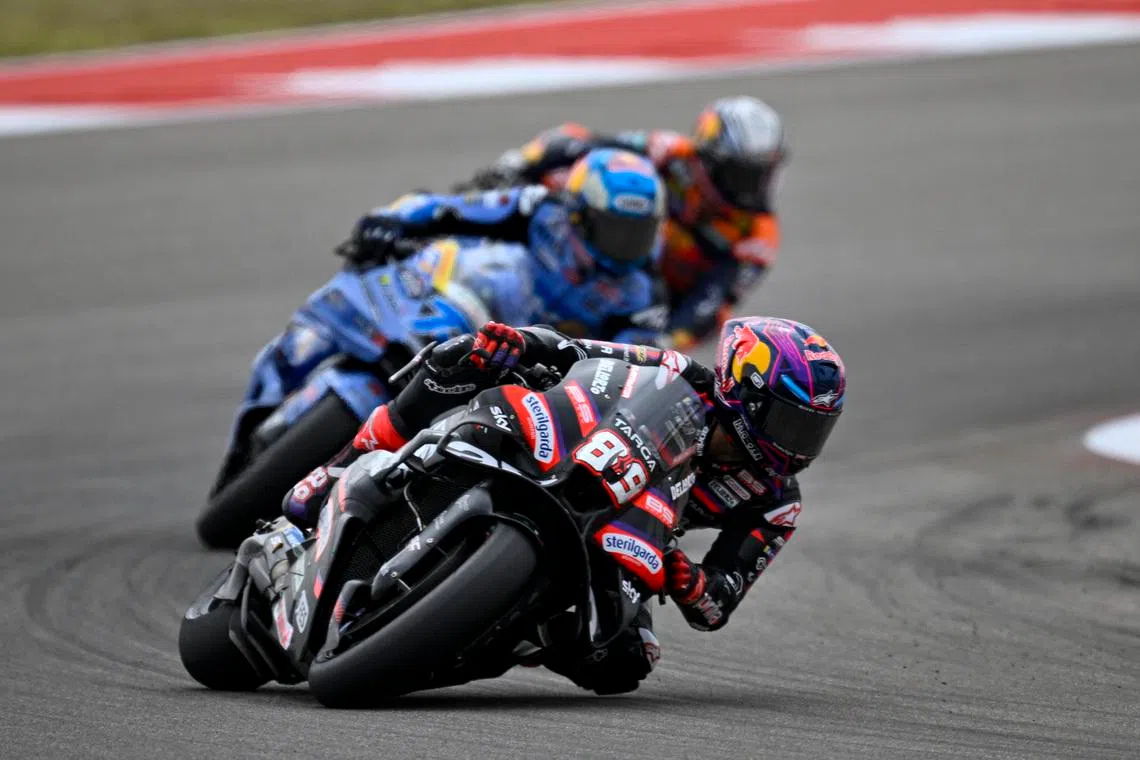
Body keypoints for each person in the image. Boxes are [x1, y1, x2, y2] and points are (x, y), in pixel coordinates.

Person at [285, 315, 846, 696]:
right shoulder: (677, 373)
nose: (797, 447)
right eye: (790, 423)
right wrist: (519, 343)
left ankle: (483, 630)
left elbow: (719, 603)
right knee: (462, 359)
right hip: (568, 453)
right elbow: (577, 351)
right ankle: (342, 464)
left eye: (813, 431)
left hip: (636, 529)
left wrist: (692, 583)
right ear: (743, 390)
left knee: (625, 664)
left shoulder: (776, 503)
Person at [461, 96, 787, 350]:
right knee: (567, 174)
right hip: (597, 248)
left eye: (762, 174)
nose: (753, 188)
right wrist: (519, 166)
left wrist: (661, 342)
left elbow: (710, 303)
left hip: (650, 301)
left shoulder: (758, 235)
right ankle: (486, 220)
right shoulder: (670, 151)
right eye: (744, 175)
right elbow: (580, 144)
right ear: (710, 159)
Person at [342, 147, 670, 346]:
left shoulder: (645, 294)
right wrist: (391, 219)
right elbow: (452, 208)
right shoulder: (539, 209)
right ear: (579, 215)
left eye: (638, 231)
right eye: (615, 228)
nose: (627, 244)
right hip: (463, 315)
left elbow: (628, 371)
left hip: (526, 377)